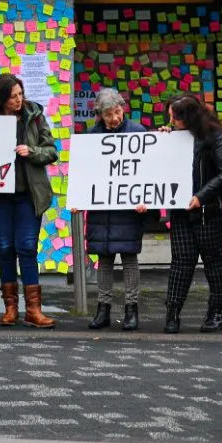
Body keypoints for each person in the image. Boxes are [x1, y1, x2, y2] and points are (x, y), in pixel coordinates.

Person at [0, 73, 58, 329]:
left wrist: (31, 152)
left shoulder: (34, 117)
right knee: (5, 247)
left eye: (20, 94)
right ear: (0, 99)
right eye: (13, 97)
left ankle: (34, 309)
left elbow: (52, 150)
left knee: (26, 246)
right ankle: (10, 308)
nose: (18, 100)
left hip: (28, 195)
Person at [161, 94, 222, 334]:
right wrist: (164, 140)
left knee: (215, 265)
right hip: (181, 212)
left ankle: (215, 313)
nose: (172, 121)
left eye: (174, 118)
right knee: (180, 263)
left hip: (209, 213)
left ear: (187, 118)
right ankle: (172, 313)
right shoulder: (177, 136)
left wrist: (201, 196)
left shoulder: (217, 136)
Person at [84, 89, 146, 331]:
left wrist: (145, 199)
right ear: (100, 115)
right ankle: (103, 309)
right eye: (109, 114)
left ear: (123, 108)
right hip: (102, 210)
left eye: (118, 112)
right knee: (105, 259)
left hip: (129, 208)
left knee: (130, 258)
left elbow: (148, 173)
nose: (115, 118)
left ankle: (132, 309)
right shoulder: (92, 137)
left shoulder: (138, 133)